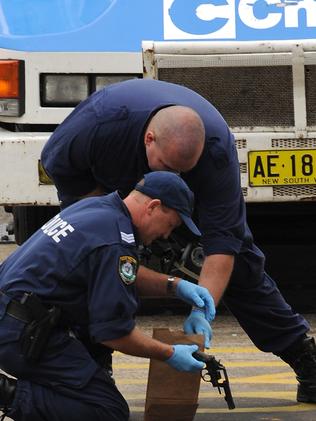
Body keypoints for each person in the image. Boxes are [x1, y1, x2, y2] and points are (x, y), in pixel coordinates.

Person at [41, 78, 316, 404]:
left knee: (242, 266)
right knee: (94, 264)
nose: (176, 179)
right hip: (104, 185)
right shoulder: (98, 127)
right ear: (149, 140)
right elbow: (59, 166)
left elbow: (223, 245)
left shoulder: (215, 154)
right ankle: (94, 364)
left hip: (181, 171)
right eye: (169, 168)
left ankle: (303, 356)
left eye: (185, 171)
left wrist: (204, 305)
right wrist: (107, 224)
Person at [0, 171, 216, 420]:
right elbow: (114, 333)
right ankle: (8, 395)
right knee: (107, 411)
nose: (166, 235)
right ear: (153, 207)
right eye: (171, 224)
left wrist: (176, 286)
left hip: (15, 316)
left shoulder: (100, 208)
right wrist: (169, 353)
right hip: (21, 333)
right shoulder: (115, 243)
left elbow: (121, 271)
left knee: (92, 372)